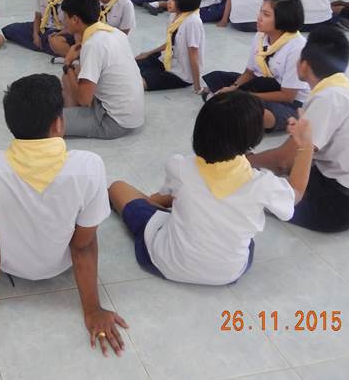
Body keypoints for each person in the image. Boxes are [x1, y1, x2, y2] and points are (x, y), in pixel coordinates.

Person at [0, 74, 127, 357]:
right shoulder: (90, 166)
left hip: (9, 265)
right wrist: (92, 309)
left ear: (10, 123)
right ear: (58, 123)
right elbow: (83, 245)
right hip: (60, 266)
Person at [108, 91, 307, 285]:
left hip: (167, 263)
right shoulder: (263, 184)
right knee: (245, 239)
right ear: (254, 137)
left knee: (117, 188)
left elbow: (168, 194)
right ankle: (156, 208)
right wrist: (306, 145)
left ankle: (150, 207)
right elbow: (296, 194)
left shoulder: (180, 167)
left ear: (200, 129)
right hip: (229, 272)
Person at [249, 27, 349, 232]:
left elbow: (283, 162)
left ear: (304, 65)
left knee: (251, 191)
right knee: (284, 174)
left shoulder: (327, 98)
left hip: (336, 207)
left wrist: (247, 161)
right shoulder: (345, 90)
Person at [204, 0, 309, 132]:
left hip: (290, 102)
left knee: (259, 114)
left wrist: (245, 96)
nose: (259, 17)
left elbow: (287, 96)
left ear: (283, 19)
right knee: (218, 77)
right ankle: (227, 108)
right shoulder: (261, 36)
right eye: (260, 12)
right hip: (263, 84)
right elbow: (250, 72)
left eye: (266, 14)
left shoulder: (297, 48)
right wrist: (234, 87)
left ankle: (226, 108)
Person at [59, 0, 145, 139]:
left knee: (47, 123)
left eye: (65, 16)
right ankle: (74, 114)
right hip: (132, 115)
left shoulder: (93, 44)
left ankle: (76, 115)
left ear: (75, 19)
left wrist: (67, 63)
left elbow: (84, 100)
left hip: (113, 122)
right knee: (69, 76)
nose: (63, 21)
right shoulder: (115, 33)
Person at [135, 0, 205, 93]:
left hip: (180, 74)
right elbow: (171, 43)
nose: (168, 2)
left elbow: (193, 55)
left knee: (137, 82)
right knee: (132, 63)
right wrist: (148, 53)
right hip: (167, 59)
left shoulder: (193, 22)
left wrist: (197, 87)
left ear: (184, 1)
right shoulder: (174, 15)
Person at [2, 0, 74, 57]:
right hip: (43, 27)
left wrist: (57, 34)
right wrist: (35, 35)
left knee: (55, 40)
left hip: (62, 30)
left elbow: (72, 26)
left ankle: (52, 46)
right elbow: (37, 17)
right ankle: (49, 46)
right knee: (9, 30)